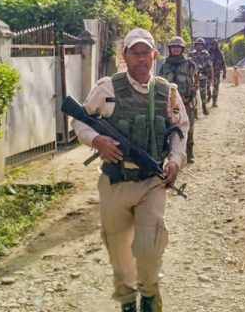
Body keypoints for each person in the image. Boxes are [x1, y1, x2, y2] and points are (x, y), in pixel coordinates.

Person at [74, 28, 190, 312]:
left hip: (151, 182)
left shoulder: (167, 92)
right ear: (124, 55)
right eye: (134, 52)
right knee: (120, 252)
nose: (141, 59)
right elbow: (81, 121)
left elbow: (179, 130)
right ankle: (127, 301)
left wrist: (175, 160)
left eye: (146, 53)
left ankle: (150, 295)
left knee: (148, 249)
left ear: (154, 55)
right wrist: (97, 140)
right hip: (114, 181)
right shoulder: (107, 88)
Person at [159, 36, 198, 163]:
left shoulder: (190, 63)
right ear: (170, 49)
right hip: (170, 102)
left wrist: (194, 89)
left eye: (178, 47)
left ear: (182, 49)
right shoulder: (165, 65)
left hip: (186, 101)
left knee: (189, 127)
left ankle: (189, 151)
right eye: (173, 47)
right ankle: (170, 152)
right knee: (167, 127)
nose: (176, 49)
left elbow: (196, 76)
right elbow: (160, 81)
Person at [188, 38, 214, 115]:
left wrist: (212, 78)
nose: (199, 46)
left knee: (203, 93)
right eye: (198, 44)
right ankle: (194, 110)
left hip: (203, 77)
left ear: (203, 45)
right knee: (193, 93)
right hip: (193, 77)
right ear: (195, 45)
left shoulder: (206, 54)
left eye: (201, 45)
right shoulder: (191, 54)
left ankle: (204, 107)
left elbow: (211, 66)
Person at [208, 38, 227, 107]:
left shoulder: (219, 53)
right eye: (212, 45)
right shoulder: (207, 53)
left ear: (217, 45)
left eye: (215, 45)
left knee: (216, 87)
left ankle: (214, 101)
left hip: (216, 73)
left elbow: (223, 62)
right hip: (208, 72)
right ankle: (209, 95)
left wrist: (224, 72)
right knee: (206, 86)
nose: (213, 46)